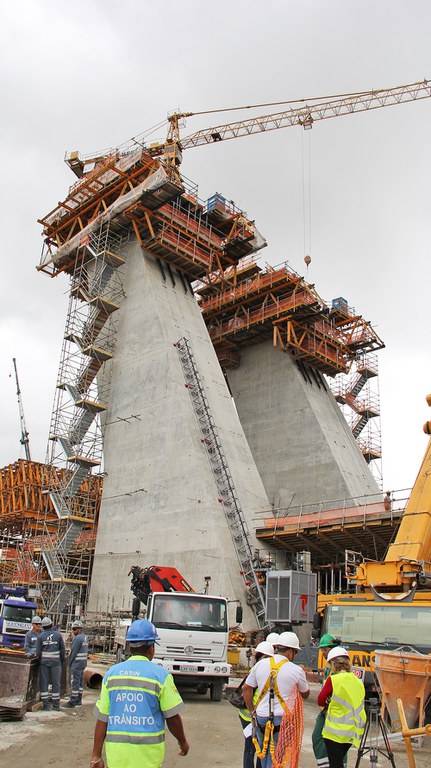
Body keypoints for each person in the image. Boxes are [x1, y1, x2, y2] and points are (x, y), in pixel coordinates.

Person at [91, 619, 189, 768]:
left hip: (117, 757)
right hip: (148, 757)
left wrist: (96, 756)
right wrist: (182, 742)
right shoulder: (161, 676)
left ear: (130, 646)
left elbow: (102, 719)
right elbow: (173, 718)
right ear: (151, 648)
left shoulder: (112, 674)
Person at [243, 631, 309, 768]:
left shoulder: (260, 665)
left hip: (260, 717)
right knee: (277, 759)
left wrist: (252, 712)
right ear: (290, 652)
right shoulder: (296, 670)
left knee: (264, 754)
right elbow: (305, 693)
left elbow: (246, 688)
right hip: (282, 720)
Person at [318, 647, 366, 768]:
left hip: (334, 732)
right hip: (351, 732)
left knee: (335, 764)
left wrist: (329, 702)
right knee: (338, 763)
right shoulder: (358, 682)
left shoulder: (333, 680)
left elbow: (320, 700)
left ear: (333, 664)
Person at [238, 641, 274, 768]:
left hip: (249, 714)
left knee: (251, 748)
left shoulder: (256, 668)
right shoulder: (265, 670)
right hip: (253, 715)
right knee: (259, 748)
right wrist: (253, 713)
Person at [312, 634, 340, 768]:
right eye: (322, 650)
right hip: (327, 710)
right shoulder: (329, 666)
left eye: (325, 649)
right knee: (319, 739)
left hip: (334, 712)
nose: (323, 653)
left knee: (334, 743)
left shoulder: (338, 670)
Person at [36, 616, 66, 710]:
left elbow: (38, 652)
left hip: (44, 663)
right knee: (56, 683)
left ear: (43, 626)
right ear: (52, 624)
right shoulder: (58, 635)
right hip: (56, 663)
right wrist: (61, 660)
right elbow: (62, 649)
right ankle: (56, 705)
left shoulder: (40, 636)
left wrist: (41, 661)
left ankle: (46, 705)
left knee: (44, 682)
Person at [64, 619, 88, 708]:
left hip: (77, 663)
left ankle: (73, 700)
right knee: (80, 682)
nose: (73, 631)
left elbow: (73, 652)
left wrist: (69, 663)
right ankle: (79, 699)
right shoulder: (84, 637)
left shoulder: (77, 638)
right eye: (73, 629)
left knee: (75, 681)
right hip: (82, 663)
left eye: (75, 629)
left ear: (79, 629)